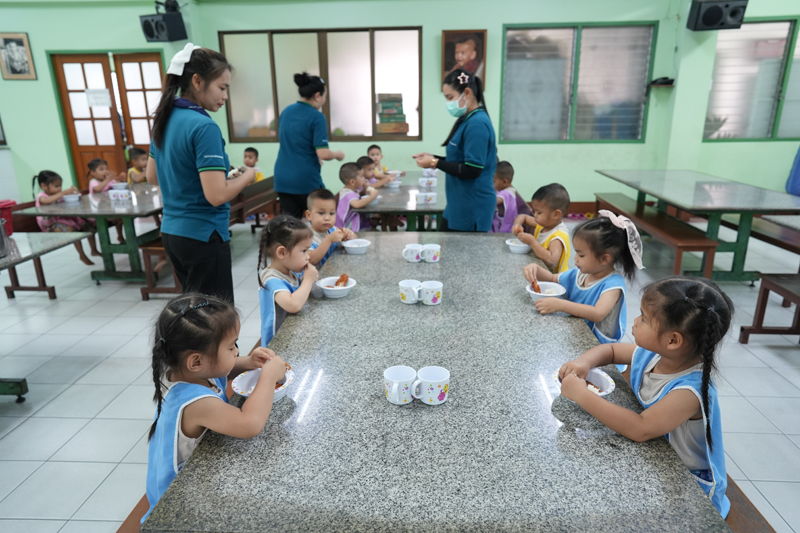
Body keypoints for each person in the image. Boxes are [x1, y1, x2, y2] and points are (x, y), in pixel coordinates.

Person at [557, 276, 733, 518]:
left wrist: (581, 394)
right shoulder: (656, 355)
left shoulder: (688, 391)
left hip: (686, 484)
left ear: (673, 340)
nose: (635, 321)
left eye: (644, 319)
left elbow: (640, 428)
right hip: (655, 456)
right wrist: (583, 363)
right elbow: (611, 350)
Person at [143, 293, 287, 522]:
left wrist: (247, 362)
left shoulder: (187, 371)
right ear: (196, 361)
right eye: (231, 347)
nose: (237, 351)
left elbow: (221, 369)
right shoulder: (196, 403)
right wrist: (268, 377)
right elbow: (249, 424)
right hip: (179, 505)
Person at [147, 43, 256, 303]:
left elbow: (152, 176)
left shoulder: (166, 117)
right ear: (197, 81)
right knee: (216, 317)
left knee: (195, 311)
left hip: (173, 233)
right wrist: (247, 176)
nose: (225, 96)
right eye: (222, 87)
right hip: (202, 235)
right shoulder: (204, 126)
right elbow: (216, 195)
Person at [523, 211, 644, 347]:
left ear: (604, 259)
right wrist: (536, 269)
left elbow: (597, 313)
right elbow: (552, 278)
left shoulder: (613, 284)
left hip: (598, 346)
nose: (575, 259)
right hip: (575, 335)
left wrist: (559, 305)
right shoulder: (581, 273)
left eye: (581, 255)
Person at [412, 69, 497, 232]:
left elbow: (473, 169)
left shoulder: (477, 124)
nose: (448, 103)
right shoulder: (467, 120)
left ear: (467, 93)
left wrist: (435, 162)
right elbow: (458, 160)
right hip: (457, 203)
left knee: (460, 249)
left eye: (450, 97)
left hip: (472, 206)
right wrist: (433, 157)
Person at [274, 72, 345, 219]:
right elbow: (323, 153)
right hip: (304, 179)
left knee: (289, 225)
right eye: (325, 96)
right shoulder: (317, 117)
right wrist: (337, 154)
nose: (325, 100)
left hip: (282, 178)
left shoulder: (286, 111)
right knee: (321, 220)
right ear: (317, 96)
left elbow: (294, 141)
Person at [258, 215, 317, 346]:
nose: (308, 256)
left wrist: (307, 279)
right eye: (304, 251)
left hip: (293, 336)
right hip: (277, 346)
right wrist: (308, 280)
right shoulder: (271, 280)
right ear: (282, 253)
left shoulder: (290, 271)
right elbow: (293, 305)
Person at [32, 170, 99, 265]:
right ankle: (82, 255)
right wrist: (63, 193)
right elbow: (47, 201)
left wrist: (74, 193)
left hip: (63, 220)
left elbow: (66, 202)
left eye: (60, 186)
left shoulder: (58, 195)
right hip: (51, 226)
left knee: (88, 226)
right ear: (43, 186)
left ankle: (94, 250)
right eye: (56, 186)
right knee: (73, 232)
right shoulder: (41, 196)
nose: (60, 189)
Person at [512, 183, 571, 273]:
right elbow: (522, 217)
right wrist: (517, 225)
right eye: (534, 211)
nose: (535, 215)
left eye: (539, 212)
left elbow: (552, 261)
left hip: (555, 278)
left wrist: (532, 242)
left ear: (556, 214)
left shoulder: (557, 236)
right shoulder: (544, 224)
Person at [305, 188, 356, 268]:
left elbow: (354, 241)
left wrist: (350, 235)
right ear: (309, 215)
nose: (327, 218)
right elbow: (311, 260)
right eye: (321, 213)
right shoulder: (306, 237)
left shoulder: (333, 230)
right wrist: (328, 240)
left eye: (331, 213)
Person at [491, 161, 531, 234]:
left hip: (505, 230)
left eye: (493, 181)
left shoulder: (507, 193)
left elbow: (494, 201)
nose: (491, 184)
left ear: (504, 181)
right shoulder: (509, 191)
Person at [336, 162, 377, 232]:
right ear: (352, 182)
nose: (364, 178)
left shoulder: (349, 191)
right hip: (347, 229)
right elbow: (357, 204)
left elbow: (357, 196)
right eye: (362, 176)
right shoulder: (348, 194)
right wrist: (373, 196)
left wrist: (364, 189)